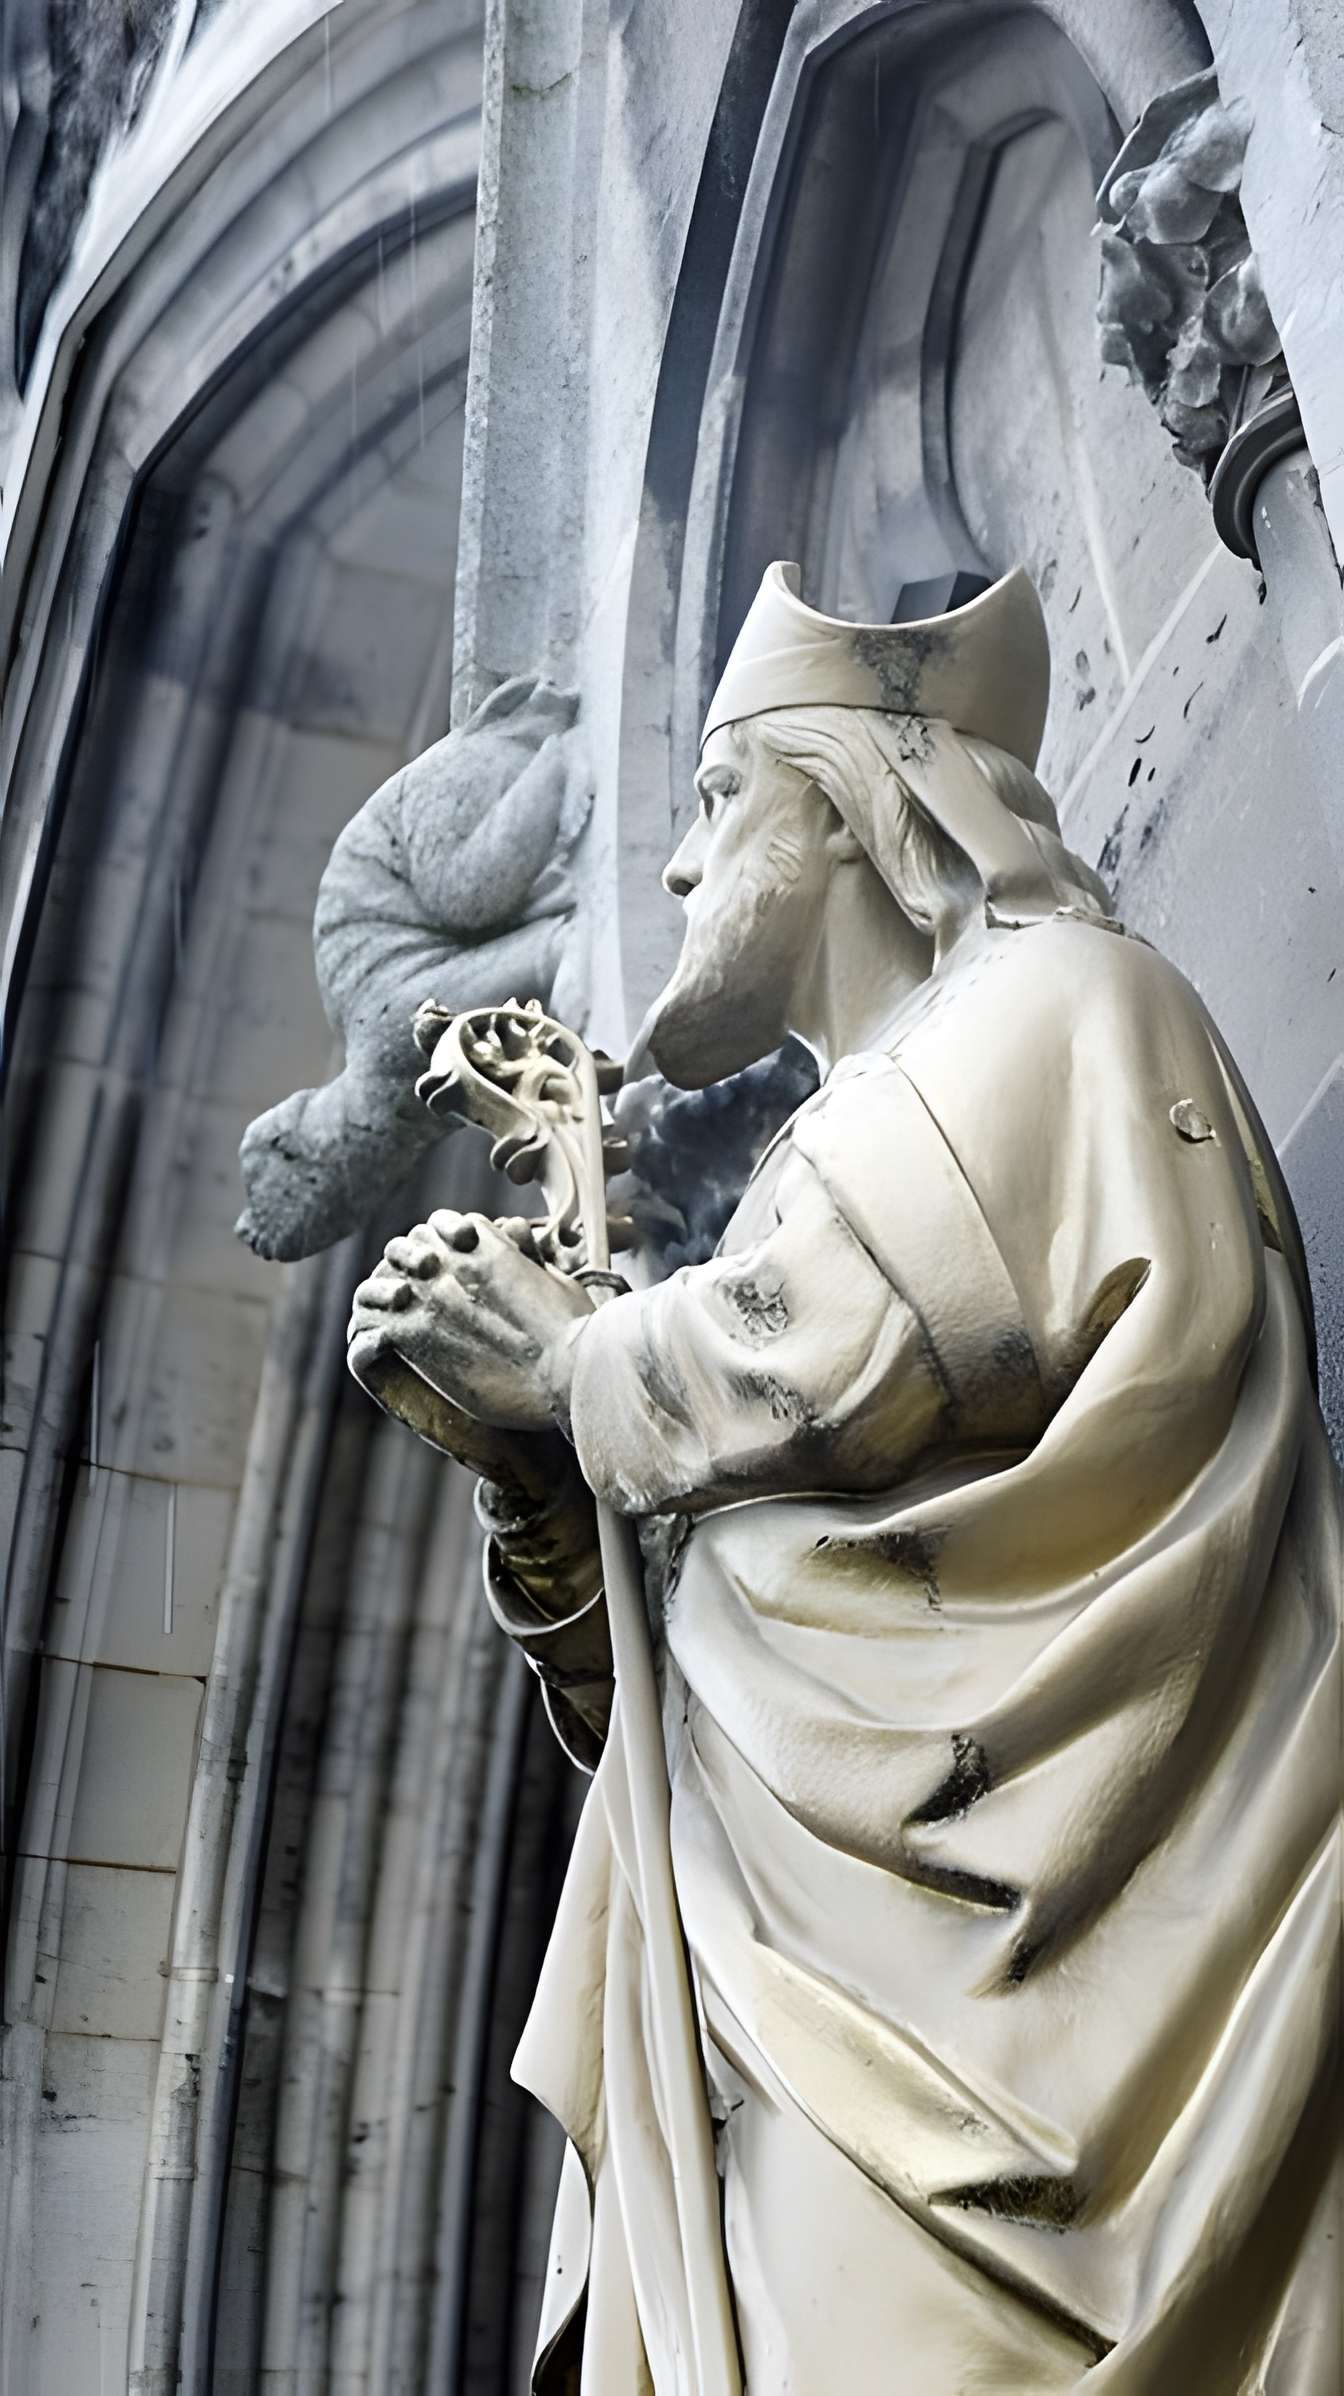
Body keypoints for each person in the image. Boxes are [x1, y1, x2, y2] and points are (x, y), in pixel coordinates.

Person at [349, 564, 1342, 2393]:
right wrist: (543, 1487)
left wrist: (577, 1364)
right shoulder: (811, 1170)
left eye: (719, 801)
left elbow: (866, 1343)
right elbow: (683, 1686)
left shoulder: (1059, 1003)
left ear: (851, 799)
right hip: (810, 1977)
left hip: (1045, 1984)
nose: (671, 872)